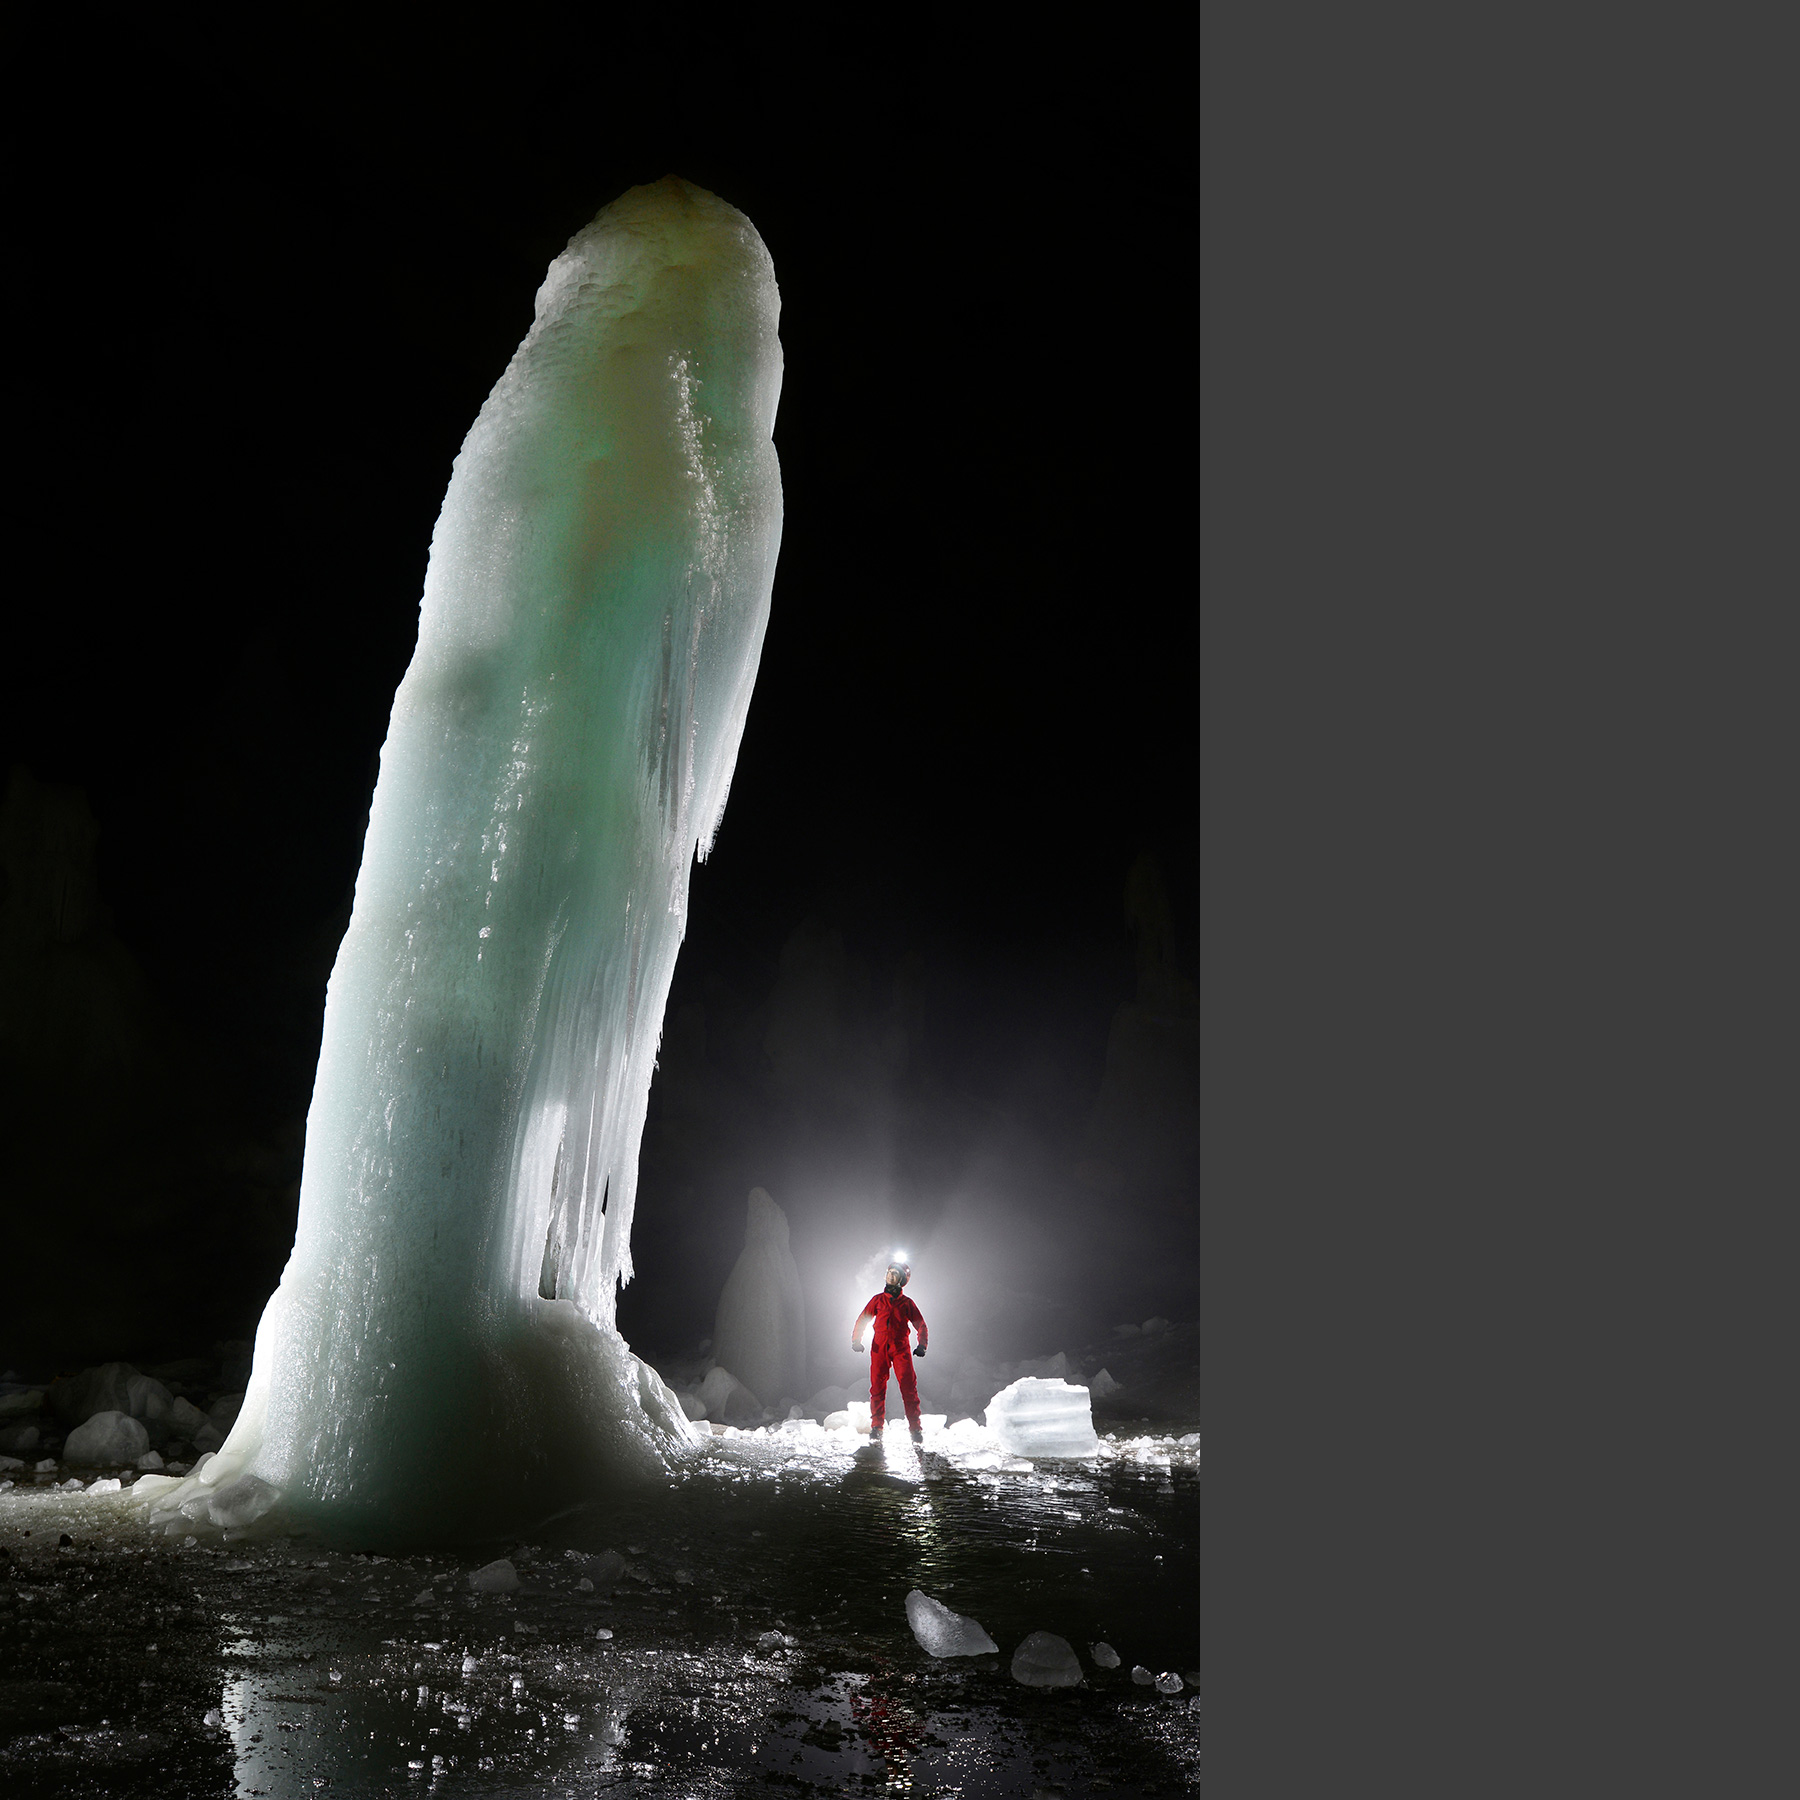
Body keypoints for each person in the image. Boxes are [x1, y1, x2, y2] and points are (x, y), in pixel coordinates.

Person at [852, 1258, 928, 1444]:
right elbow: (863, 1319)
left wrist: (922, 1345)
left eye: (895, 1274)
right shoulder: (878, 1300)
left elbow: (920, 1325)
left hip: (900, 1348)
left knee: (909, 1389)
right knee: (877, 1388)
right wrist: (856, 1339)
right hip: (879, 1348)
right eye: (889, 1272)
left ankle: (915, 1429)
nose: (890, 1275)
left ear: (902, 1280)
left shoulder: (907, 1303)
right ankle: (877, 1427)